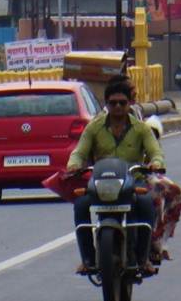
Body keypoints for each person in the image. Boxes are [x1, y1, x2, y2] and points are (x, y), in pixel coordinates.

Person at [67, 80, 164, 275]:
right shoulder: (94, 128)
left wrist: (156, 163)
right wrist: (74, 164)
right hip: (100, 183)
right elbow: (79, 152)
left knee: (146, 204)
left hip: (132, 181)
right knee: (80, 205)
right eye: (113, 103)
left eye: (122, 103)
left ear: (129, 104)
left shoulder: (141, 129)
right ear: (106, 104)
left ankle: (143, 258)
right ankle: (87, 259)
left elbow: (156, 152)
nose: (118, 107)